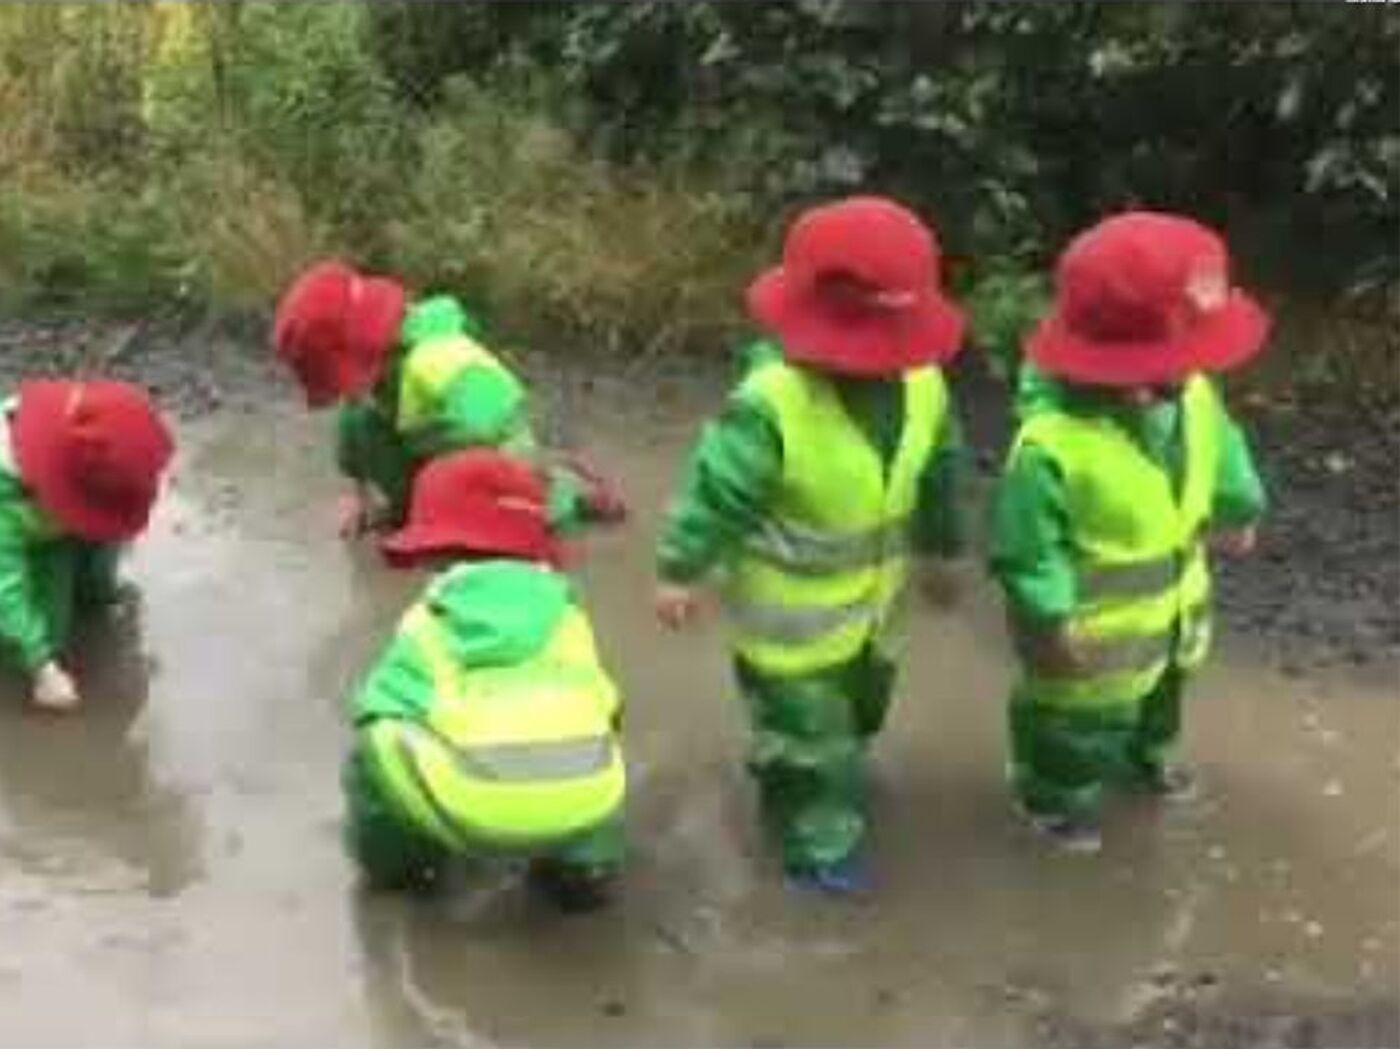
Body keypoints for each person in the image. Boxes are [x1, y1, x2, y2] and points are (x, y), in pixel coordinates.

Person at [653, 196, 967, 892]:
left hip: (873, 618)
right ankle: (816, 849)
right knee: (811, 742)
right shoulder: (769, 404)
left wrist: (943, 551)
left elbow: (941, 473)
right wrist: (681, 570)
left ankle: (810, 770)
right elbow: (717, 493)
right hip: (787, 633)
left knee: (859, 717)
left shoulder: (924, 386)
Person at [989, 211, 1270, 852]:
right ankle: (1052, 802)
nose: (1176, 382)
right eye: (1156, 371)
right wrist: (1049, 621)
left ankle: (1148, 758)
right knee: (1072, 732)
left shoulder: (1192, 391)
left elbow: (1222, 449)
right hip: (1086, 643)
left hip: (1171, 616)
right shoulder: (1050, 447)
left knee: (1161, 702)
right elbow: (1027, 550)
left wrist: (1240, 507)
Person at [344, 449, 626, 912]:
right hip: (586, 800)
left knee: (376, 736)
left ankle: (397, 869)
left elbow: (376, 707)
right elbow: (609, 707)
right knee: (592, 722)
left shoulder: (428, 623)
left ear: (433, 553)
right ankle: (586, 869)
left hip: (470, 811)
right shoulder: (568, 617)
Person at [271, 260, 624, 537]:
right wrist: (357, 496)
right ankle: (425, 513)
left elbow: (512, 434)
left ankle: (575, 491)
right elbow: (351, 436)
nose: (341, 392)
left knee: (535, 508)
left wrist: (522, 518)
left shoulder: (444, 362)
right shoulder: (366, 389)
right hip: (427, 446)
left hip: (489, 445)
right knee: (365, 422)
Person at [0, 379, 173, 712]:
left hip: (53, 519)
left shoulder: (86, 427)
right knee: (48, 636)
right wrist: (42, 668)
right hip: (26, 534)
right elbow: (6, 589)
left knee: (99, 580)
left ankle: (92, 586)